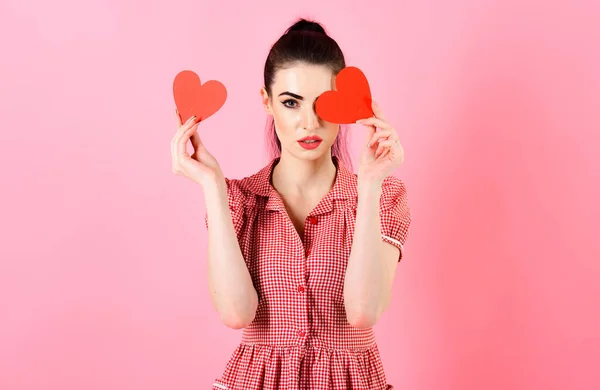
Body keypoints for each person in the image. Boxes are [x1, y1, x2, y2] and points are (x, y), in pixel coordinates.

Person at [170, 18, 411, 390]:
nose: (309, 122)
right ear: (267, 102)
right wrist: (212, 186)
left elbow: (364, 312)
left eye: (324, 103)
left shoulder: (384, 196)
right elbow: (236, 314)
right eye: (291, 103)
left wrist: (370, 184)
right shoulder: (238, 202)